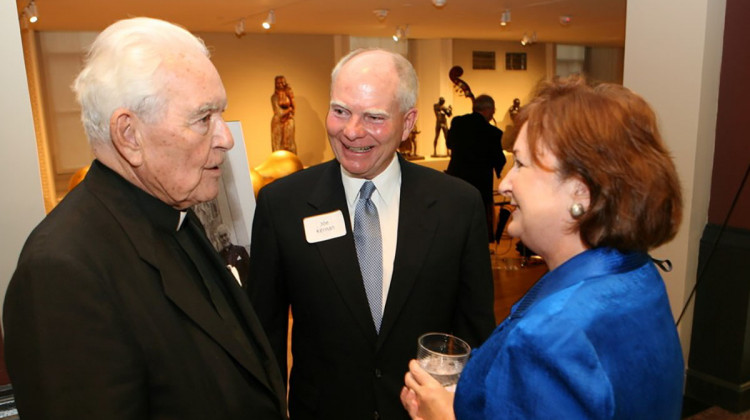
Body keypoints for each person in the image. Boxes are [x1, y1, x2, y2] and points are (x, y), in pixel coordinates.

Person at [3, 17, 287, 419]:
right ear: (129, 135)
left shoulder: (172, 210)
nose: (226, 138)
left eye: (220, 115)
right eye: (204, 119)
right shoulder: (61, 272)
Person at [401, 75, 684, 419]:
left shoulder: (550, 338)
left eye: (520, 164)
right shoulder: (637, 273)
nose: (505, 183)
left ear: (580, 192)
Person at [249, 48, 496, 420]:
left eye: (374, 117)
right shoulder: (282, 204)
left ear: (408, 122)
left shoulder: (458, 206)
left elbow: (473, 335)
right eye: (341, 111)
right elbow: (264, 341)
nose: (351, 131)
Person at [446, 95, 506, 243]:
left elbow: (449, 144)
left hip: (456, 180)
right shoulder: (493, 133)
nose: (493, 114)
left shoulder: (458, 122)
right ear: (488, 109)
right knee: (478, 224)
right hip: (480, 184)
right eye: (493, 110)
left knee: (457, 219)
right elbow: (499, 159)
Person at [216, 224, 251, 288]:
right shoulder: (219, 257)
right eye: (221, 237)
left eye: (225, 235)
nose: (224, 238)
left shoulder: (240, 250)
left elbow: (250, 268)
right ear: (219, 239)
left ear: (229, 235)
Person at [271, 75, 296, 154]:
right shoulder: (274, 97)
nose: (280, 85)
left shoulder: (288, 95)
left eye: (282, 83)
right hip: (277, 122)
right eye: (278, 83)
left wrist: (291, 97)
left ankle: (293, 162)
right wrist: (289, 109)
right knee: (278, 146)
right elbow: (279, 113)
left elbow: (294, 108)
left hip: (288, 120)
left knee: (290, 144)